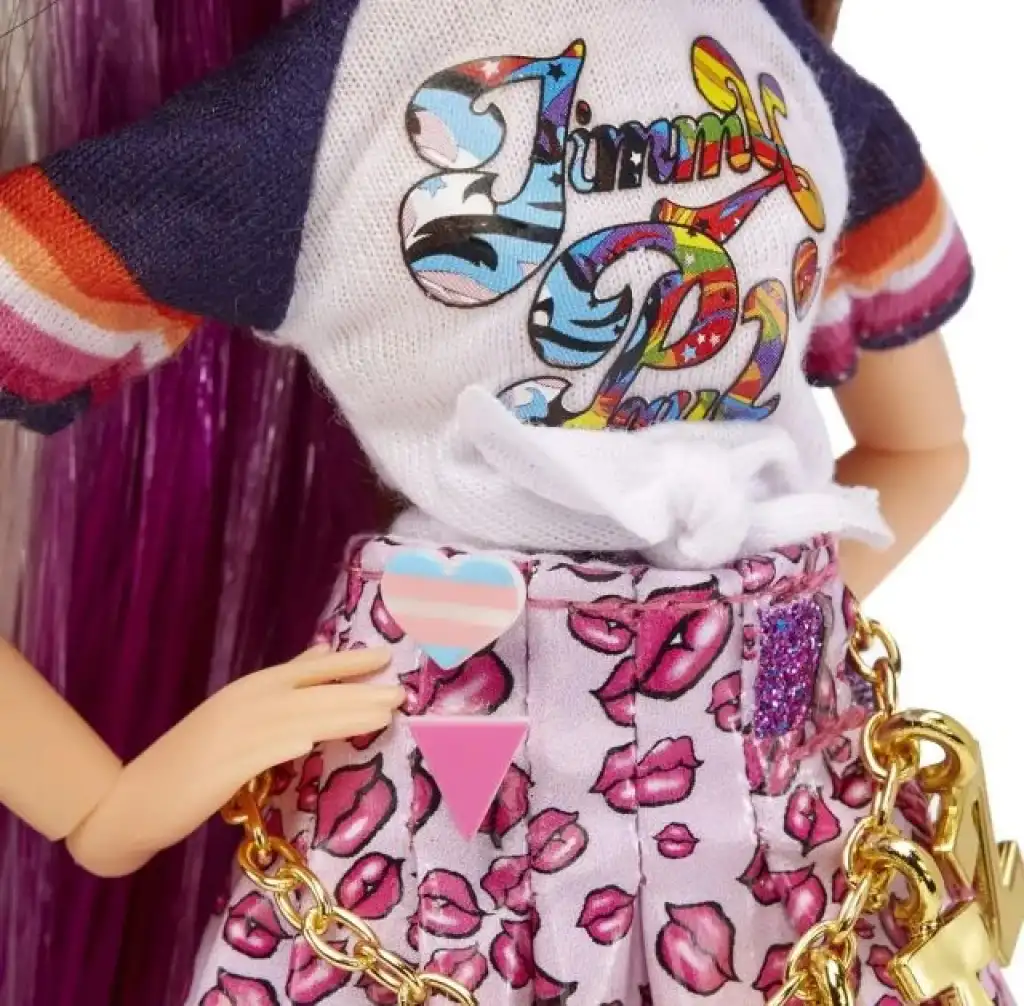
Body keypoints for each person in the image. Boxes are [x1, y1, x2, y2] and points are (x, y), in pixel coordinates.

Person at [0, 0, 1001, 1002]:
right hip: (445, 806)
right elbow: (925, 449)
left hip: (790, 815)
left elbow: (924, 449)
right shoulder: (337, 91)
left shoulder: (776, 57)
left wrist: (777, 634)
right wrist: (107, 810)